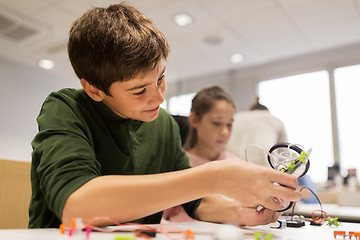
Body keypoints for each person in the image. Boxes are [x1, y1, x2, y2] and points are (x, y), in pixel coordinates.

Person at [28, 3, 301, 229]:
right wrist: (214, 177)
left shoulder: (163, 125)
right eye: (138, 91)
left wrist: (239, 212)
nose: (158, 98)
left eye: (161, 79)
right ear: (94, 89)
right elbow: (77, 206)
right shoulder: (66, 108)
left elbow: (197, 202)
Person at [162, 86, 240, 222]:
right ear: (194, 120)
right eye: (216, 123)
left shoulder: (238, 164)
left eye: (229, 125)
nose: (225, 132)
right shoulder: (178, 165)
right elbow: (160, 217)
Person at [226, 97, 317, 203]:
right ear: (267, 112)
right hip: (261, 169)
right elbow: (286, 154)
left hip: (231, 170)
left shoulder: (237, 118)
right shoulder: (275, 120)